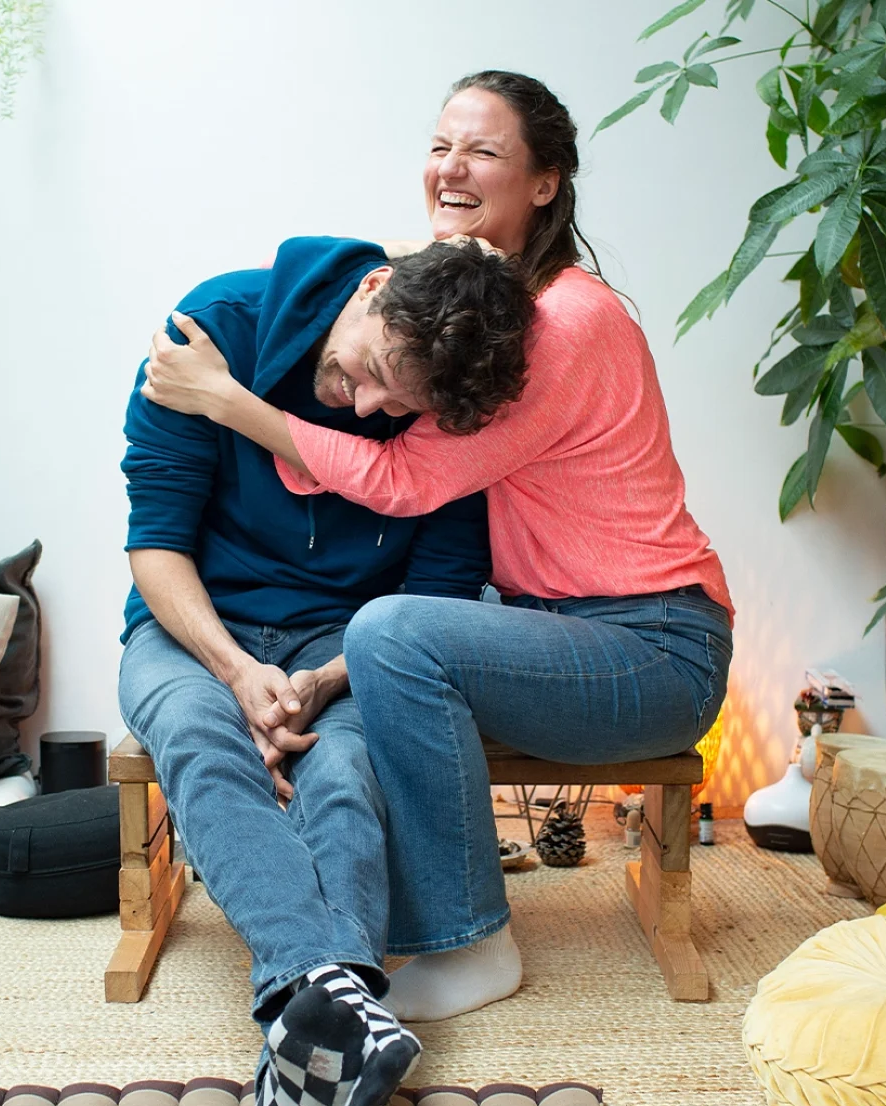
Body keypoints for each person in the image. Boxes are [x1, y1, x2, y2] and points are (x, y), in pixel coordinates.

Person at [141, 71, 735, 1027]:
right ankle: (337, 953)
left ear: (544, 184)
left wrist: (228, 402)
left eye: (486, 152)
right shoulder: (475, 304)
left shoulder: (559, 324)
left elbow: (406, 480)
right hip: (557, 623)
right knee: (361, 677)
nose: (452, 169)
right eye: (441, 145)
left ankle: (468, 940)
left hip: (650, 645)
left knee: (393, 635)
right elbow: (385, 303)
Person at [118, 233, 533, 1106]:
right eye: (376, 370)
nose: (374, 407)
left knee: (343, 770)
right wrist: (234, 672)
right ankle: (338, 995)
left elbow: (440, 586)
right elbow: (155, 541)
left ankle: (311, 1032)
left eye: (399, 402)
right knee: (194, 733)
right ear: (373, 289)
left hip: (341, 647)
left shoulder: (441, 414)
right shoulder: (212, 331)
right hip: (192, 631)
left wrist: (321, 680)